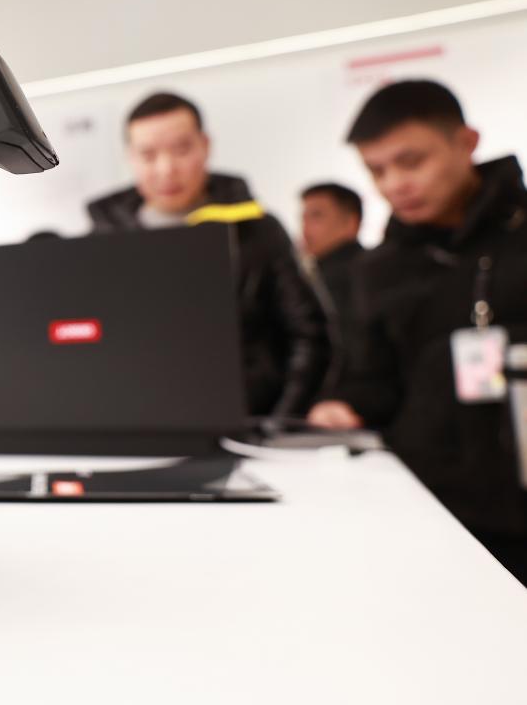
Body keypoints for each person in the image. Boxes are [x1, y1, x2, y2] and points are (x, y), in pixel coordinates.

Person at [308, 79, 527, 586]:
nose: (394, 184)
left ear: (466, 142)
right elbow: (374, 378)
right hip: (435, 507)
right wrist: (343, 404)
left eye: (411, 162)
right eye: (376, 170)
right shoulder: (379, 269)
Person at [87, 92, 329, 419]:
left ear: (205, 145)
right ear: (130, 157)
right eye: (148, 155)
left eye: (181, 150)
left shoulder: (256, 230)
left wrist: (278, 423)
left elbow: (310, 334)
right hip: (136, 419)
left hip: (246, 422)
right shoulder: (104, 237)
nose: (166, 169)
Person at [299, 182, 366, 383]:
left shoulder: (359, 277)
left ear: (351, 223)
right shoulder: (315, 274)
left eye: (316, 216)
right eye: (303, 217)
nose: (305, 227)